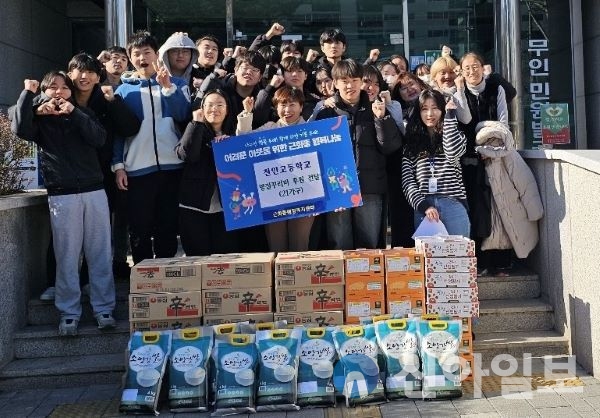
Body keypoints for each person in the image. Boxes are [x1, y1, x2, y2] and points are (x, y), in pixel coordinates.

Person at [11, 72, 116, 335]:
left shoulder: (83, 114)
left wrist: (75, 113)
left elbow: (99, 139)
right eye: (51, 88)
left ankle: (104, 309)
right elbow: (19, 128)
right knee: (67, 256)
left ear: (70, 91)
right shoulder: (40, 119)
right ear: (44, 92)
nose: (58, 92)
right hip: (62, 192)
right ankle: (69, 312)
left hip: (94, 190)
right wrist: (29, 96)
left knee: (100, 252)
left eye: (63, 88)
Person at [112, 30, 191, 264]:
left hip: (172, 166)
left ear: (157, 55)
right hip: (137, 169)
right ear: (130, 57)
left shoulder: (177, 84)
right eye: (136, 53)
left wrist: (167, 88)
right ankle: (143, 278)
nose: (142, 57)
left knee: (167, 225)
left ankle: (167, 276)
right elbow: (118, 131)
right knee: (139, 227)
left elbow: (183, 115)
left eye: (147, 52)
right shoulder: (123, 91)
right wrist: (118, 166)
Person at [315, 58, 403, 250]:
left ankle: (368, 280)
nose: (350, 86)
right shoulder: (326, 114)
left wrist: (382, 119)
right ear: (335, 83)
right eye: (344, 81)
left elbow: (390, 147)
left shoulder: (376, 108)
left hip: (370, 187)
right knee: (339, 242)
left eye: (355, 80)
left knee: (370, 244)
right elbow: (318, 155)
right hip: (337, 189)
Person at [237, 86, 314, 251]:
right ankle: (280, 278)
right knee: (276, 246)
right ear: (276, 107)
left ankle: (299, 277)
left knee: (300, 246)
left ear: (301, 107)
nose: (287, 110)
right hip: (273, 197)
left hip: (306, 196)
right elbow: (243, 142)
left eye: (292, 104)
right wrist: (247, 113)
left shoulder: (312, 130)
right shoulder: (270, 128)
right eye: (282, 104)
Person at [459, 51, 511, 275]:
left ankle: (500, 260)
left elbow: (503, 123)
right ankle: (479, 261)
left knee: (499, 209)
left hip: (496, 157)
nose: (472, 71)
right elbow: (465, 121)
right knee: (476, 210)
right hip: (470, 161)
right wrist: (460, 90)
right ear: (461, 71)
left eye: (476, 66)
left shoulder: (495, 89)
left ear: (483, 67)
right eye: (467, 68)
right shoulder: (458, 93)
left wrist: (491, 150)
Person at [176, 89, 240, 255]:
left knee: (224, 257)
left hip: (226, 208)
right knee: (197, 257)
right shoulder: (193, 127)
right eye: (210, 105)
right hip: (194, 205)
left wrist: (229, 146)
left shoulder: (234, 132)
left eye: (220, 105)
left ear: (227, 110)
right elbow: (187, 155)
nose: (215, 109)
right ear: (202, 108)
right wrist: (196, 124)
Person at [474, 120, 543, 267]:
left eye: (495, 141)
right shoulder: (480, 158)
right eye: (488, 142)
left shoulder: (509, 155)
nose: (492, 146)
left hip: (509, 204)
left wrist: (534, 210)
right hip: (491, 206)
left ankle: (500, 265)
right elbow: (525, 181)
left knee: (506, 235)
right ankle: (495, 265)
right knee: (494, 234)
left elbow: (524, 182)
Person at [402, 89, 470, 237]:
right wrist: (424, 206)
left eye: (435, 108)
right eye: (424, 109)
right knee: (429, 259)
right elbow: (408, 182)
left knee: (460, 257)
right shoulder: (411, 145)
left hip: (453, 203)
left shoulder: (456, 134)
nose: (430, 114)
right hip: (424, 208)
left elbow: (452, 152)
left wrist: (451, 115)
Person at [429, 56, 472, 124]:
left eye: (451, 72)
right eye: (443, 73)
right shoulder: (429, 95)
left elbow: (466, 120)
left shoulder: (465, 92)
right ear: (434, 76)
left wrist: (460, 90)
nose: (447, 76)